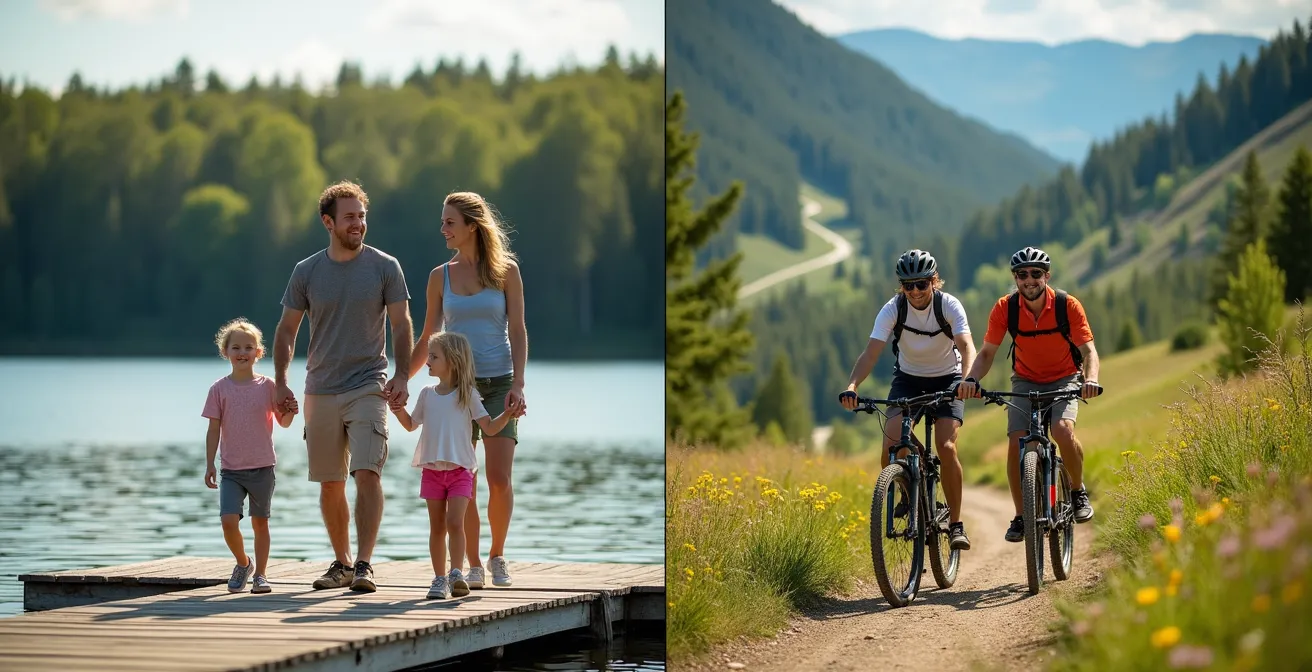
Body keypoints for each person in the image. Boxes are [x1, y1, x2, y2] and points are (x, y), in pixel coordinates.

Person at [274, 180, 413, 593]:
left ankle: (366, 565)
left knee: (367, 471)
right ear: (328, 222)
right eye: (350, 217)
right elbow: (285, 330)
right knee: (331, 481)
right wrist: (281, 381)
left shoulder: (385, 266)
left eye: (362, 216)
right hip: (320, 388)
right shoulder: (307, 271)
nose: (359, 224)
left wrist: (403, 375)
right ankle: (342, 564)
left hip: (369, 383)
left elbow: (401, 324)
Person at [406, 191, 527, 589]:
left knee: (498, 478)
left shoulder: (506, 271)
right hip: (458, 388)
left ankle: (497, 556)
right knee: (464, 476)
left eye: (449, 223)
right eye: (442, 222)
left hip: (500, 382)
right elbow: (427, 336)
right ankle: (472, 563)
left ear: (472, 226)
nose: (442, 229)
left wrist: (520, 384)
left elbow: (517, 330)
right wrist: (401, 379)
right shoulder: (439, 276)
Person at [956, 246, 1101, 543]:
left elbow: (1089, 352)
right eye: (1022, 275)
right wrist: (969, 379)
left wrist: (1091, 378)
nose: (1029, 280)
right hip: (1024, 380)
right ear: (1015, 278)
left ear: (1047, 276)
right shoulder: (1004, 308)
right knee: (1016, 441)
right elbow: (986, 354)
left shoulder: (1067, 305)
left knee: (1061, 430)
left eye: (1036, 274)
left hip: (1065, 379)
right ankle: (1021, 516)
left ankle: (1077, 491)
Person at [838, 249, 977, 551]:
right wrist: (852, 385)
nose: (914, 291)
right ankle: (903, 487)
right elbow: (870, 353)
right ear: (901, 286)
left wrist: (967, 380)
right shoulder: (892, 310)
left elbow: (967, 347)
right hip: (908, 380)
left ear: (934, 282)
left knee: (946, 445)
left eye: (921, 284)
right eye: (908, 285)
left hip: (949, 378)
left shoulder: (948, 305)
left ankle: (955, 524)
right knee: (891, 442)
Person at [391, 331, 524, 599]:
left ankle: (456, 573)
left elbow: (488, 426)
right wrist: (397, 410)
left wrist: (508, 414)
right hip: (432, 472)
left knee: (455, 522)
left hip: (461, 472)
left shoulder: (468, 395)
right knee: (437, 526)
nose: (427, 361)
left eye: (433, 357)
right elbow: (410, 425)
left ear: (451, 361)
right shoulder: (427, 395)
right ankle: (439, 579)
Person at [201, 318, 296, 595]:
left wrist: (289, 409)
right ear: (226, 352)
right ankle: (244, 563)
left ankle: (262, 576)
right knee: (228, 521)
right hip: (231, 469)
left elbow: (285, 423)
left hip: (262, 467)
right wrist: (210, 463)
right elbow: (213, 428)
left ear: (258, 352)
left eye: (248, 347)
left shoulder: (268, 386)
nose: (242, 352)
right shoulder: (219, 389)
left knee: (260, 523)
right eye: (236, 347)